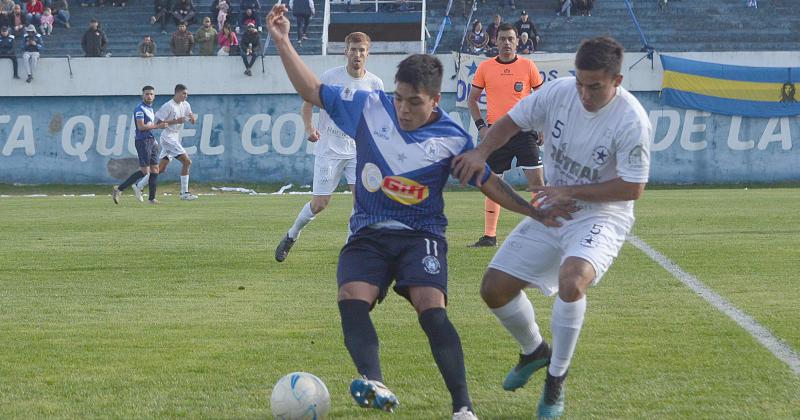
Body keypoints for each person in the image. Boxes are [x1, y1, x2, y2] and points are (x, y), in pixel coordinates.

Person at [265, 5, 575, 420]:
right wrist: (283, 40)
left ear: (434, 101)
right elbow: (313, 91)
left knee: (432, 309)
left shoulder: (451, 136)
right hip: (369, 233)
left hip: (420, 235)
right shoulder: (370, 106)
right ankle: (373, 380)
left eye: (415, 102)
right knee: (351, 298)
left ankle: (463, 408)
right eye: (399, 98)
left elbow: (488, 182)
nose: (404, 108)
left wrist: (530, 211)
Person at [452, 36, 652, 419]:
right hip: (552, 210)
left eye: (595, 86)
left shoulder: (631, 120)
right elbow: (510, 121)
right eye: (580, 82)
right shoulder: (560, 93)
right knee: (494, 289)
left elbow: (633, 187)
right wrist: (480, 152)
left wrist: (568, 190)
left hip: (601, 216)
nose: (584, 93)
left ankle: (556, 379)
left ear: (617, 80)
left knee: (572, 281)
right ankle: (534, 351)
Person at [275, 31, 384, 263]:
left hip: (358, 151)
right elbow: (306, 105)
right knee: (319, 204)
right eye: (353, 49)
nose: (357, 54)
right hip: (329, 150)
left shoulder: (375, 83)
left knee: (362, 202)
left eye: (361, 50)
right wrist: (309, 129)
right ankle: (291, 235)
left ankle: (349, 251)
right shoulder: (330, 78)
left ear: (368, 53)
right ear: (346, 52)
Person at [467, 22, 544, 248]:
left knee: (537, 184)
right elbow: (471, 100)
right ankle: (490, 236)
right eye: (503, 39)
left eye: (511, 38)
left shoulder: (528, 66)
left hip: (524, 131)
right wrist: (482, 127)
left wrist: (541, 126)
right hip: (496, 134)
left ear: (518, 40)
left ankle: (542, 232)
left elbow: (542, 99)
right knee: (493, 185)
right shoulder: (485, 68)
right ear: (495, 41)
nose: (507, 43)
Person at [134, 84, 199, 201]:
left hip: (175, 136)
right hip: (168, 138)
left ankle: (139, 185)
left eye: (186, 94)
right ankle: (184, 193)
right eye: (184, 93)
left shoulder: (186, 104)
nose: (186, 96)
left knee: (161, 169)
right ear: (177, 93)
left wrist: (192, 118)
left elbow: (191, 118)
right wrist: (175, 121)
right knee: (187, 161)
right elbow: (158, 121)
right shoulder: (168, 106)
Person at [112, 86, 168, 205]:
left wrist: (156, 133)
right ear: (142, 95)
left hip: (151, 141)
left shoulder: (151, 109)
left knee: (155, 169)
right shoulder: (139, 109)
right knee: (144, 171)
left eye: (151, 94)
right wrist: (158, 126)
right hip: (142, 141)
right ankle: (119, 189)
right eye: (147, 94)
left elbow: (150, 126)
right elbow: (141, 127)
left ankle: (152, 199)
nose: (149, 96)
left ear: (154, 96)